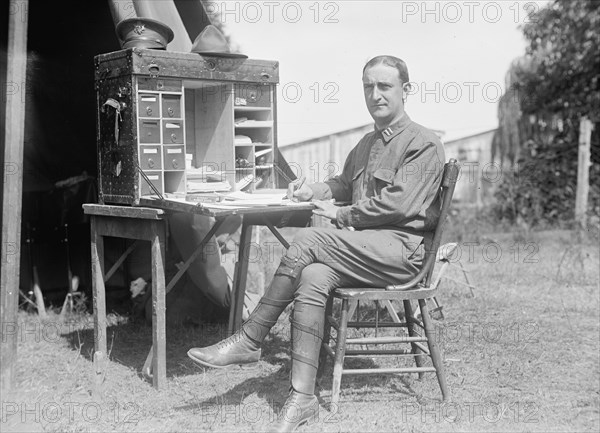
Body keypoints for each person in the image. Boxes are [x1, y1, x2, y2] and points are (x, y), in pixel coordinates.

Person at [187, 55, 446, 432]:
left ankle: (251, 336)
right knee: (312, 275)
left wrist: (340, 215)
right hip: (370, 248)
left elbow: (398, 204)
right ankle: (303, 397)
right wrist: (315, 189)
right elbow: (343, 185)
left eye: (384, 86)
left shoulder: (424, 144)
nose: (375, 95)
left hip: (404, 252)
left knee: (308, 238)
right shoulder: (367, 143)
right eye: (368, 86)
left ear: (406, 91)